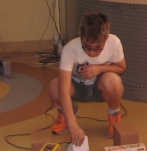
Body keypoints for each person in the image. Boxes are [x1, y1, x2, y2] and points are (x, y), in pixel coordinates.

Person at [50, 12, 126, 144]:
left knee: (113, 81)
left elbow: (121, 68)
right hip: (77, 87)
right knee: (54, 87)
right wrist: (73, 125)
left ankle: (114, 113)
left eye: (97, 48)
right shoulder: (70, 49)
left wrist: (100, 69)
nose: (91, 52)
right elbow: (63, 89)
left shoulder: (114, 42)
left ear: (106, 37)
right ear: (80, 34)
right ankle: (68, 111)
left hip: (100, 87)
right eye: (86, 46)